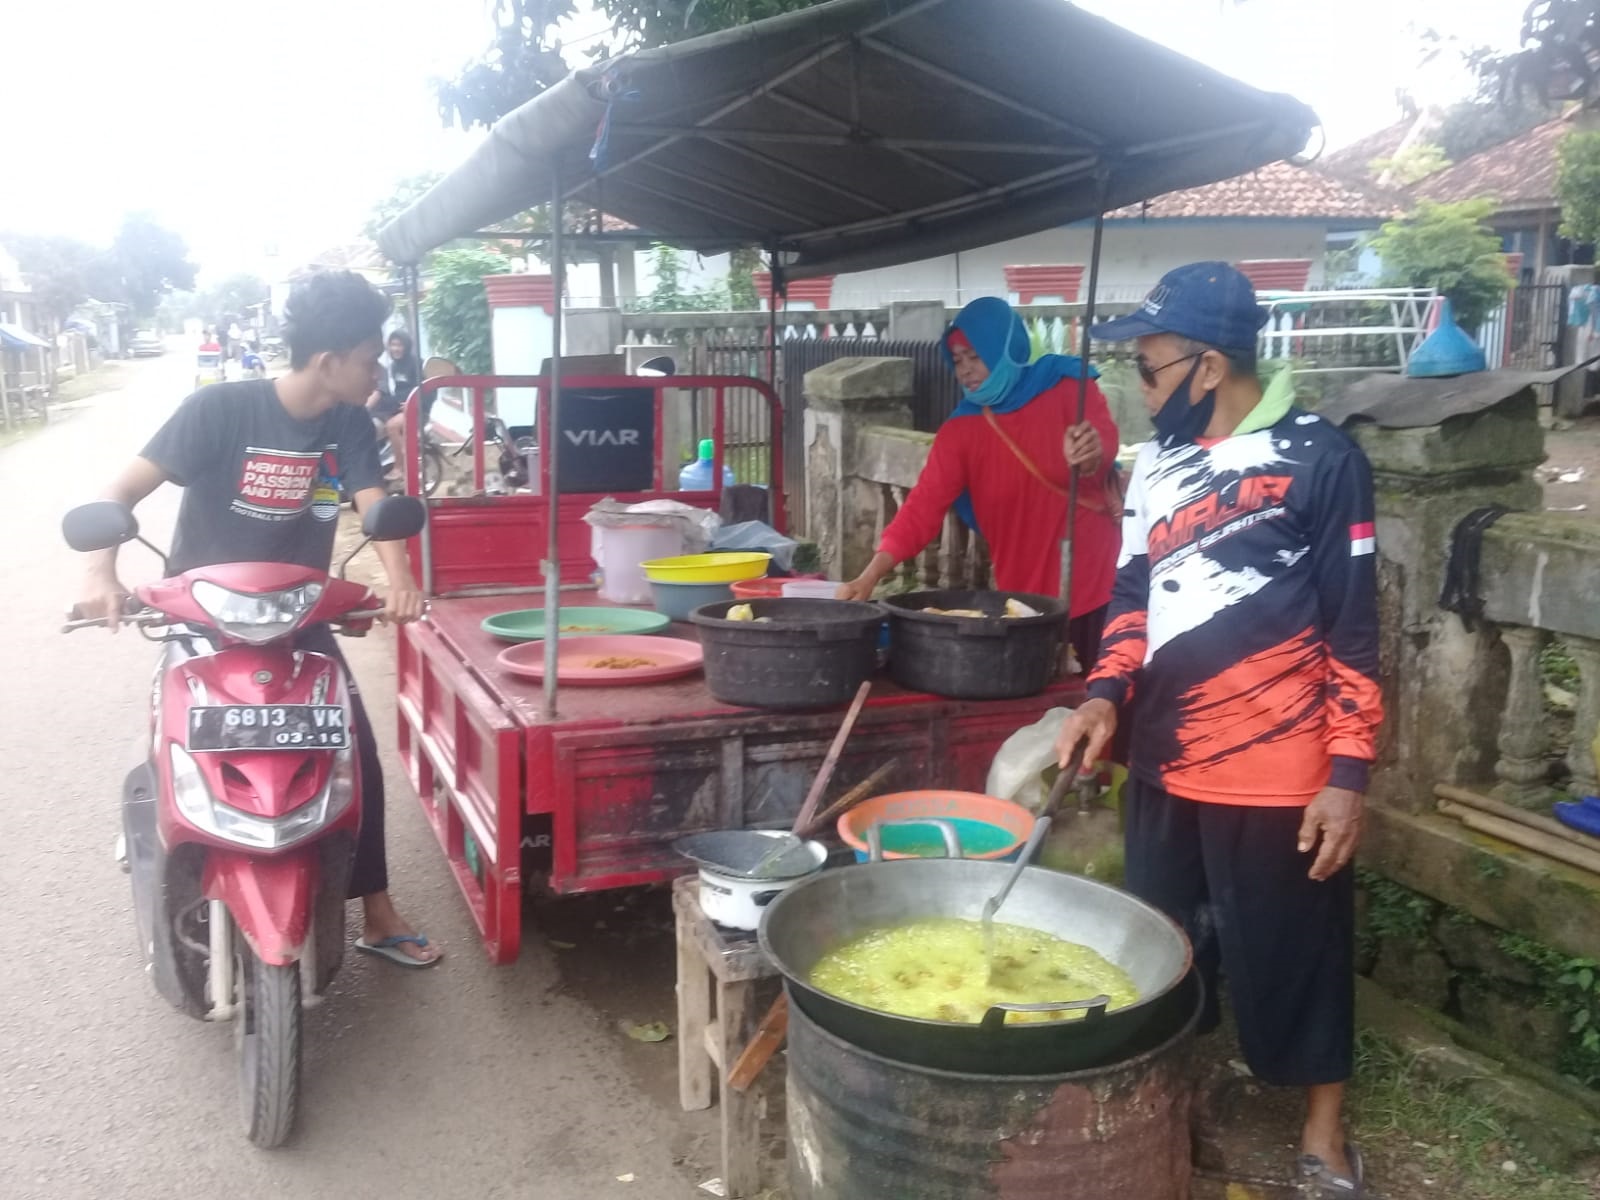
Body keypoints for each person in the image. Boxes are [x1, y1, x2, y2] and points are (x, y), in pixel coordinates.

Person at [1054, 262, 1382, 1196]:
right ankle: (1178, 1099)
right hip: (1162, 755)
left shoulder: (1323, 460)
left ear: (1206, 366)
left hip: (1280, 766)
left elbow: (1355, 626)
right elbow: (1131, 592)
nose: (1138, 387)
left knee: (1297, 948)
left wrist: (1347, 772)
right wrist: (1104, 693)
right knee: (1168, 942)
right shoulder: (1156, 465)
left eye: (1149, 368)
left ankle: (1324, 1128)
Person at [77, 269, 442, 968]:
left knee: (351, 751)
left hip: (296, 621)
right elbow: (119, 492)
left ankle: (376, 910)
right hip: (201, 621)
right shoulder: (217, 410)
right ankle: (166, 846)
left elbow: (376, 506)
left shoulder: (348, 425)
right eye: (370, 358)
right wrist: (100, 574)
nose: (377, 374)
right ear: (329, 359)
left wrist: (401, 585)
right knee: (178, 740)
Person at [835, 296, 1121, 669]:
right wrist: (869, 575)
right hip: (1023, 594)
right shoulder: (961, 432)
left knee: (1101, 702)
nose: (966, 371)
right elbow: (921, 509)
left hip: (1096, 582)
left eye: (975, 356)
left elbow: (1105, 444)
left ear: (1003, 348)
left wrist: (1091, 454)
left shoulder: (1068, 387)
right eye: (957, 361)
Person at [381, 330, 423, 472]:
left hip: (418, 409)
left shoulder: (416, 364)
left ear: (406, 346)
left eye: (399, 345)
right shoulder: (394, 366)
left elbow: (428, 390)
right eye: (393, 345)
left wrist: (414, 403)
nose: (396, 349)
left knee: (391, 426)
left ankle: (400, 466)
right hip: (401, 407)